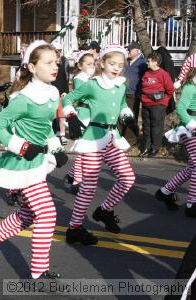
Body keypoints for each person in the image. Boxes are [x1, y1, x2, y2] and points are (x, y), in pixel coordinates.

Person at [0, 40, 68, 279]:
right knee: (46, 213)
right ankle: (38, 271)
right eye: (48, 62)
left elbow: (44, 127)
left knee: (28, 214)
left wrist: (56, 148)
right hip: (21, 163)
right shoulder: (22, 98)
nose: (54, 66)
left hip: (37, 161)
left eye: (55, 61)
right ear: (33, 67)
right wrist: (22, 146)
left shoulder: (52, 91)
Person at [62, 44, 137, 245]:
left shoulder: (120, 85)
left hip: (112, 138)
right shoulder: (92, 84)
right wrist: (72, 117)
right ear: (102, 63)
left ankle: (103, 211)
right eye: (112, 63)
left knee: (127, 178)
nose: (116, 68)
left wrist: (128, 117)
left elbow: (122, 105)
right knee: (88, 187)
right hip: (93, 140)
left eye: (120, 65)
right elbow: (68, 99)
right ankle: (74, 228)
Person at [160, 68, 196, 218]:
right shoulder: (190, 87)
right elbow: (181, 109)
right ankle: (192, 204)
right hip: (190, 129)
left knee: (192, 167)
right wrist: (193, 124)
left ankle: (165, 191)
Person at [64, 50, 95, 194]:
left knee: (89, 151)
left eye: (93, 63)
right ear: (80, 65)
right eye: (88, 64)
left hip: (93, 114)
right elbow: (87, 95)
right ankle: (76, 181)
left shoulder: (92, 77)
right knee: (82, 151)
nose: (92, 66)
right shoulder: (80, 78)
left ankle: (71, 175)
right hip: (83, 115)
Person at [139, 52, 174, 157]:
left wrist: (164, 100)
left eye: (149, 60)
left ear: (155, 62)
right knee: (146, 126)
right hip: (146, 104)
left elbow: (170, 89)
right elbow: (143, 86)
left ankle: (155, 148)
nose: (147, 62)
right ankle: (146, 146)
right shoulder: (146, 73)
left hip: (158, 105)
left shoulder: (163, 74)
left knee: (156, 127)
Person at [122, 41, 147, 145]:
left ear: (137, 51)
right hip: (123, 92)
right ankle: (122, 137)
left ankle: (131, 140)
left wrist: (140, 92)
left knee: (131, 116)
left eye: (130, 50)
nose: (128, 51)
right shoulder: (127, 61)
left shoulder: (143, 63)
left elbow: (144, 79)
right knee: (122, 115)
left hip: (134, 93)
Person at [51, 40, 69, 146]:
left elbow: (64, 80)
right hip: (50, 95)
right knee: (52, 115)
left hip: (60, 93)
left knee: (61, 116)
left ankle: (62, 134)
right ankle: (52, 134)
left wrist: (65, 91)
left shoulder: (61, 67)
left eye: (59, 54)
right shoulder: (48, 68)